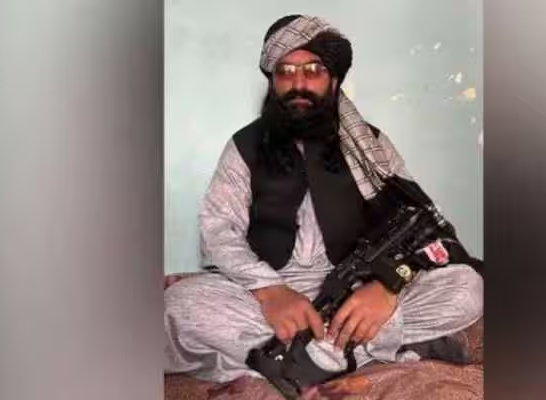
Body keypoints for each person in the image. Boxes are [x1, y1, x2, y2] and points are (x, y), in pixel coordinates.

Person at [164, 14, 483, 384]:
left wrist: (386, 288)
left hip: (355, 292)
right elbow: (219, 231)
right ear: (272, 82)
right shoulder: (244, 146)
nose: (299, 83)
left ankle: (299, 360)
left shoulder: (370, 146)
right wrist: (270, 291)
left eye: (313, 70)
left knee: (466, 288)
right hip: (268, 291)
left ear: (333, 80)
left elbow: (422, 226)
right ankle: (365, 351)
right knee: (179, 306)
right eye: (286, 72)